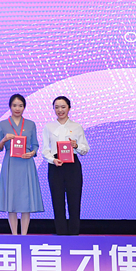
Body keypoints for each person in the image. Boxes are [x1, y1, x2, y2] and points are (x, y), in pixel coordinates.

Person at [0, 93, 44, 235]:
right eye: (14, 105)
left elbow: (35, 145)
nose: (17, 108)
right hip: (10, 164)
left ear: (24, 107)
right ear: (10, 107)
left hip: (26, 163)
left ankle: (24, 235)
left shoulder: (30, 124)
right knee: (12, 200)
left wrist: (32, 153)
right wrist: (4, 140)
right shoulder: (3, 124)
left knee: (25, 201)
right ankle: (14, 235)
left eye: (20, 105)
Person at [42, 96, 89, 235]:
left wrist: (76, 145)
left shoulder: (77, 127)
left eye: (63, 107)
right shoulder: (49, 127)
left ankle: (74, 232)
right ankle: (61, 233)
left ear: (69, 108)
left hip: (72, 166)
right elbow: (45, 149)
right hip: (55, 165)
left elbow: (85, 149)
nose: (60, 110)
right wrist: (53, 160)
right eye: (56, 107)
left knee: (74, 200)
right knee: (57, 200)